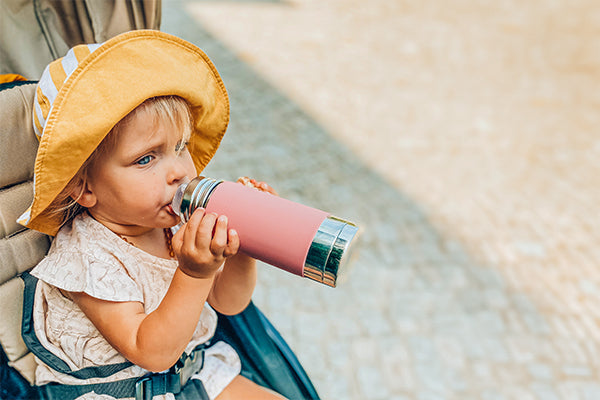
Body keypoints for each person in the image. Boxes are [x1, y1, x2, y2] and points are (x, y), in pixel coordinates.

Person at [18, 30, 286, 400]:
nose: (178, 171)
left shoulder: (173, 221)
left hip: (193, 371)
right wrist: (194, 272)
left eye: (180, 147)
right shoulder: (87, 258)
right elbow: (152, 352)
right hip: (119, 389)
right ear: (83, 187)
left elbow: (229, 303)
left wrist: (242, 247)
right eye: (146, 158)